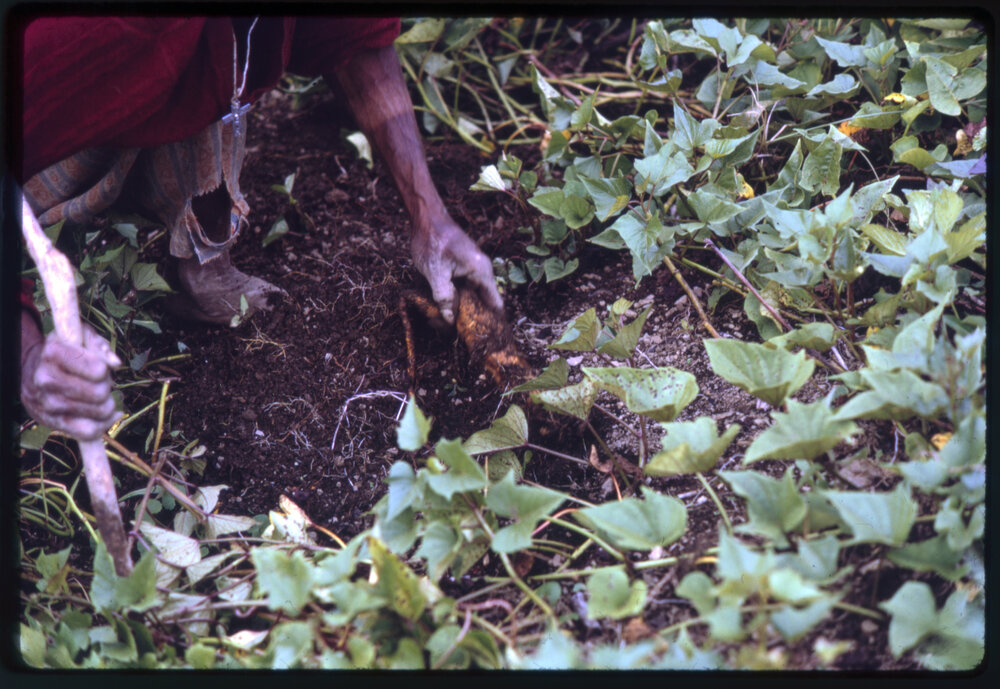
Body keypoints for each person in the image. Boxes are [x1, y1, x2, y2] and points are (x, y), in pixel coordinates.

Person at [17, 16, 503, 440]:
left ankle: (199, 264)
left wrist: (429, 216)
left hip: (167, 66)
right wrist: (27, 356)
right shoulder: (89, 32)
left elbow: (351, 33)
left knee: (222, 61)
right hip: (49, 124)